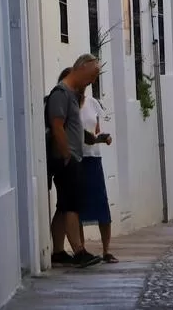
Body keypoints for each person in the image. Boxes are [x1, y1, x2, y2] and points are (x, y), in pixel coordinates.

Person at [46, 54, 103, 268]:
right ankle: (79, 251)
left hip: (71, 157)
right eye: (93, 75)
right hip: (65, 159)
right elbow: (57, 125)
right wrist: (67, 155)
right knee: (71, 205)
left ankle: (58, 251)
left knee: (63, 206)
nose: (93, 81)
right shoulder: (60, 94)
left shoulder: (71, 94)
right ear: (81, 68)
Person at [78, 90, 118, 263]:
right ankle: (81, 248)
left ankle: (106, 250)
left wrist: (103, 138)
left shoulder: (92, 102)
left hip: (93, 157)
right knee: (77, 205)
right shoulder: (69, 104)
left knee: (101, 202)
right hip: (76, 158)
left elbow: (97, 129)